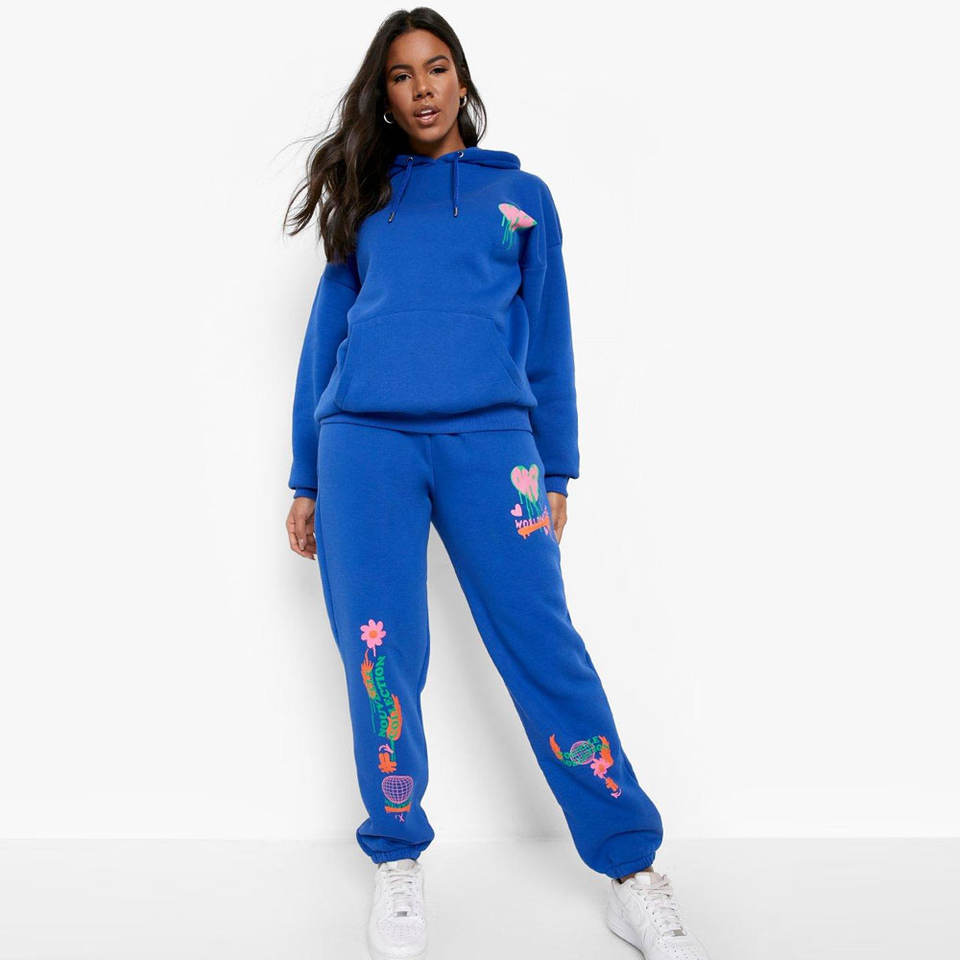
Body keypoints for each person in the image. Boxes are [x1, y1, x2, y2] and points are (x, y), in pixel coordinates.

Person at [283, 9, 712, 960]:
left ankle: (631, 869)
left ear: (463, 80)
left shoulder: (521, 198)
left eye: (437, 69)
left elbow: (549, 337)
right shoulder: (365, 200)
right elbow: (325, 340)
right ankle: (397, 855)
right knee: (381, 656)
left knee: (544, 648)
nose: (422, 89)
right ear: (384, 96)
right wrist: (305, 476)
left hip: (493, 447)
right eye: (402, 76)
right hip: (365, 450)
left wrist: (555, 466)